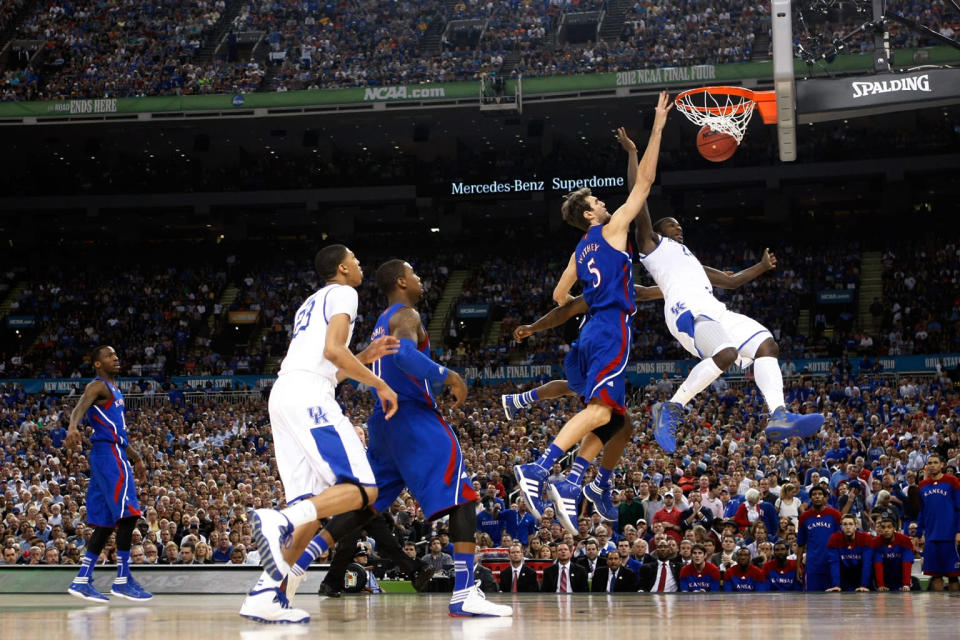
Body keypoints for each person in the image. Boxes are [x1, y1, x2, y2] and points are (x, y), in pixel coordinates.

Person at [514, 92, 672, 535]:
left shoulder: (579, 251)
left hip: (590, 332)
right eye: (599, 202)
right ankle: (540, 469)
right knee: (603, 413)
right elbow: (644, 184)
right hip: (608, 328)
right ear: (590, 213)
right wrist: (657, 129)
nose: (605, 204)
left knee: (617, 417)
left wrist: (587, 299)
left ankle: (574, 481)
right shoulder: (611, 229)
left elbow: (560, 294)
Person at [624, 136, 824, 451]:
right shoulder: (653, 247)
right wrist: (634, 153)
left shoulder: (691, 260)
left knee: (766, 345)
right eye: (673, 226)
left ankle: (779, 414)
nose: (680, 229)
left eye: (680, 226)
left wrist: (761, 266)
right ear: (658, 232)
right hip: (687, 313)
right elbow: (639, 196)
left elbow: (730, 283)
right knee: (727, 353)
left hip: (715, 311)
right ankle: (671, 407)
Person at [241, 245, 399, 623]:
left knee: (311, 514)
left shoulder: (310, 303)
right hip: (310, 397)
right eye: (357, 261)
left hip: (285, 395)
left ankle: (265, 593)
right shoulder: (346, 293)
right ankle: (278, 520)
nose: (361, 266)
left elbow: (330, 366)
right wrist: (379, 383)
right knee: (364, 490)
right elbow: (331, 352)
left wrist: (362, 355)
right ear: (343, 269)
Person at [64, 346, 152, 603]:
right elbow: (80, 406)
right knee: (128, 515)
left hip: (111, 454)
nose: (115, 358)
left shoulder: (114, 390)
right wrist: (72, 427)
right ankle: (123, 580)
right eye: (109, 355)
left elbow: (117, 432)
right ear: (97, 364)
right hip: (110, 456)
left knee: (104, 523)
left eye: (116, 354)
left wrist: (136, 458)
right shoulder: (98, 385)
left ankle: (82, 579)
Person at [917, 453, 960, 591]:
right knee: (935, 576)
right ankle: (938, 610)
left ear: (942, 465)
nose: (932, 465)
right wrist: (919, 533)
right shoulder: (922, 485)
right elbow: (922, 511)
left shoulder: (952, 481)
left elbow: (959, 507)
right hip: (930, 537)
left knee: (953, 576)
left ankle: (955, 610)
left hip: (949, 536)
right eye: (930, 463)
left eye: (935, 462)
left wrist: (959, 531)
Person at [797, 485, 842, 592]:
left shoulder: (835, 514)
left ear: (826, 498)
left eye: (820, 494)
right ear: (810, 498)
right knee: (813, 598)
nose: (817, 497)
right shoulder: (804, 517)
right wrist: (798, 565)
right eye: (814, 494)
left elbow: (840, 540)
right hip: (813, 563)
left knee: (833, 597)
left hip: (831, 562)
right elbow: (800, 543)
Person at [826, 514, 873, 592]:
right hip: (844, 576)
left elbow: (867, 563)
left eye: (851, 524)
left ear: (856, 526)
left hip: (860, 574)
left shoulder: (865, 538)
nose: (848, 527)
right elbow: (834, 563)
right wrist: (836, 585)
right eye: (845, 524)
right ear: (841, 527)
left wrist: (864, 585)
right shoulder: (834, 538)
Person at [872, 517, 914, 592]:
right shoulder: (875, 542)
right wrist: (880, 585)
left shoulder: (905, 540)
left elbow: (907, 563)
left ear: (894, 528)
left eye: (889, 527)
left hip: (900, 582)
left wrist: (906, 584)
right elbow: (877, 564)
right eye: (883, 527)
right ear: (880, 529)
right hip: (883, 582)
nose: (886, 530)